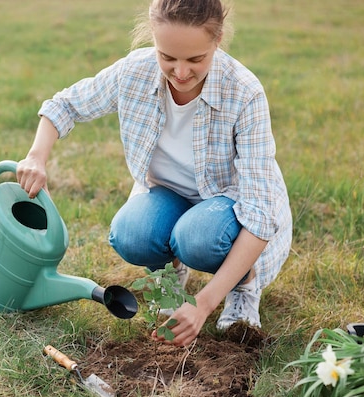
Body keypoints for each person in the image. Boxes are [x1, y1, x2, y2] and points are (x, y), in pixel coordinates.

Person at [16, 0, 292, 347]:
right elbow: (64, 105)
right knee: (131, 234)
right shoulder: (135, 71)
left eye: (195, 59)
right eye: (167, 57)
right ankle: (170, 278)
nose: (179, 72)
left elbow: (259, 216)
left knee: (198, 238)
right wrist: (36, 157)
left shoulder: (244, 92)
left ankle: (244, 288)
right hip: (167, 194)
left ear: (218, 39)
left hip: (226, 204)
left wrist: (204, 305)